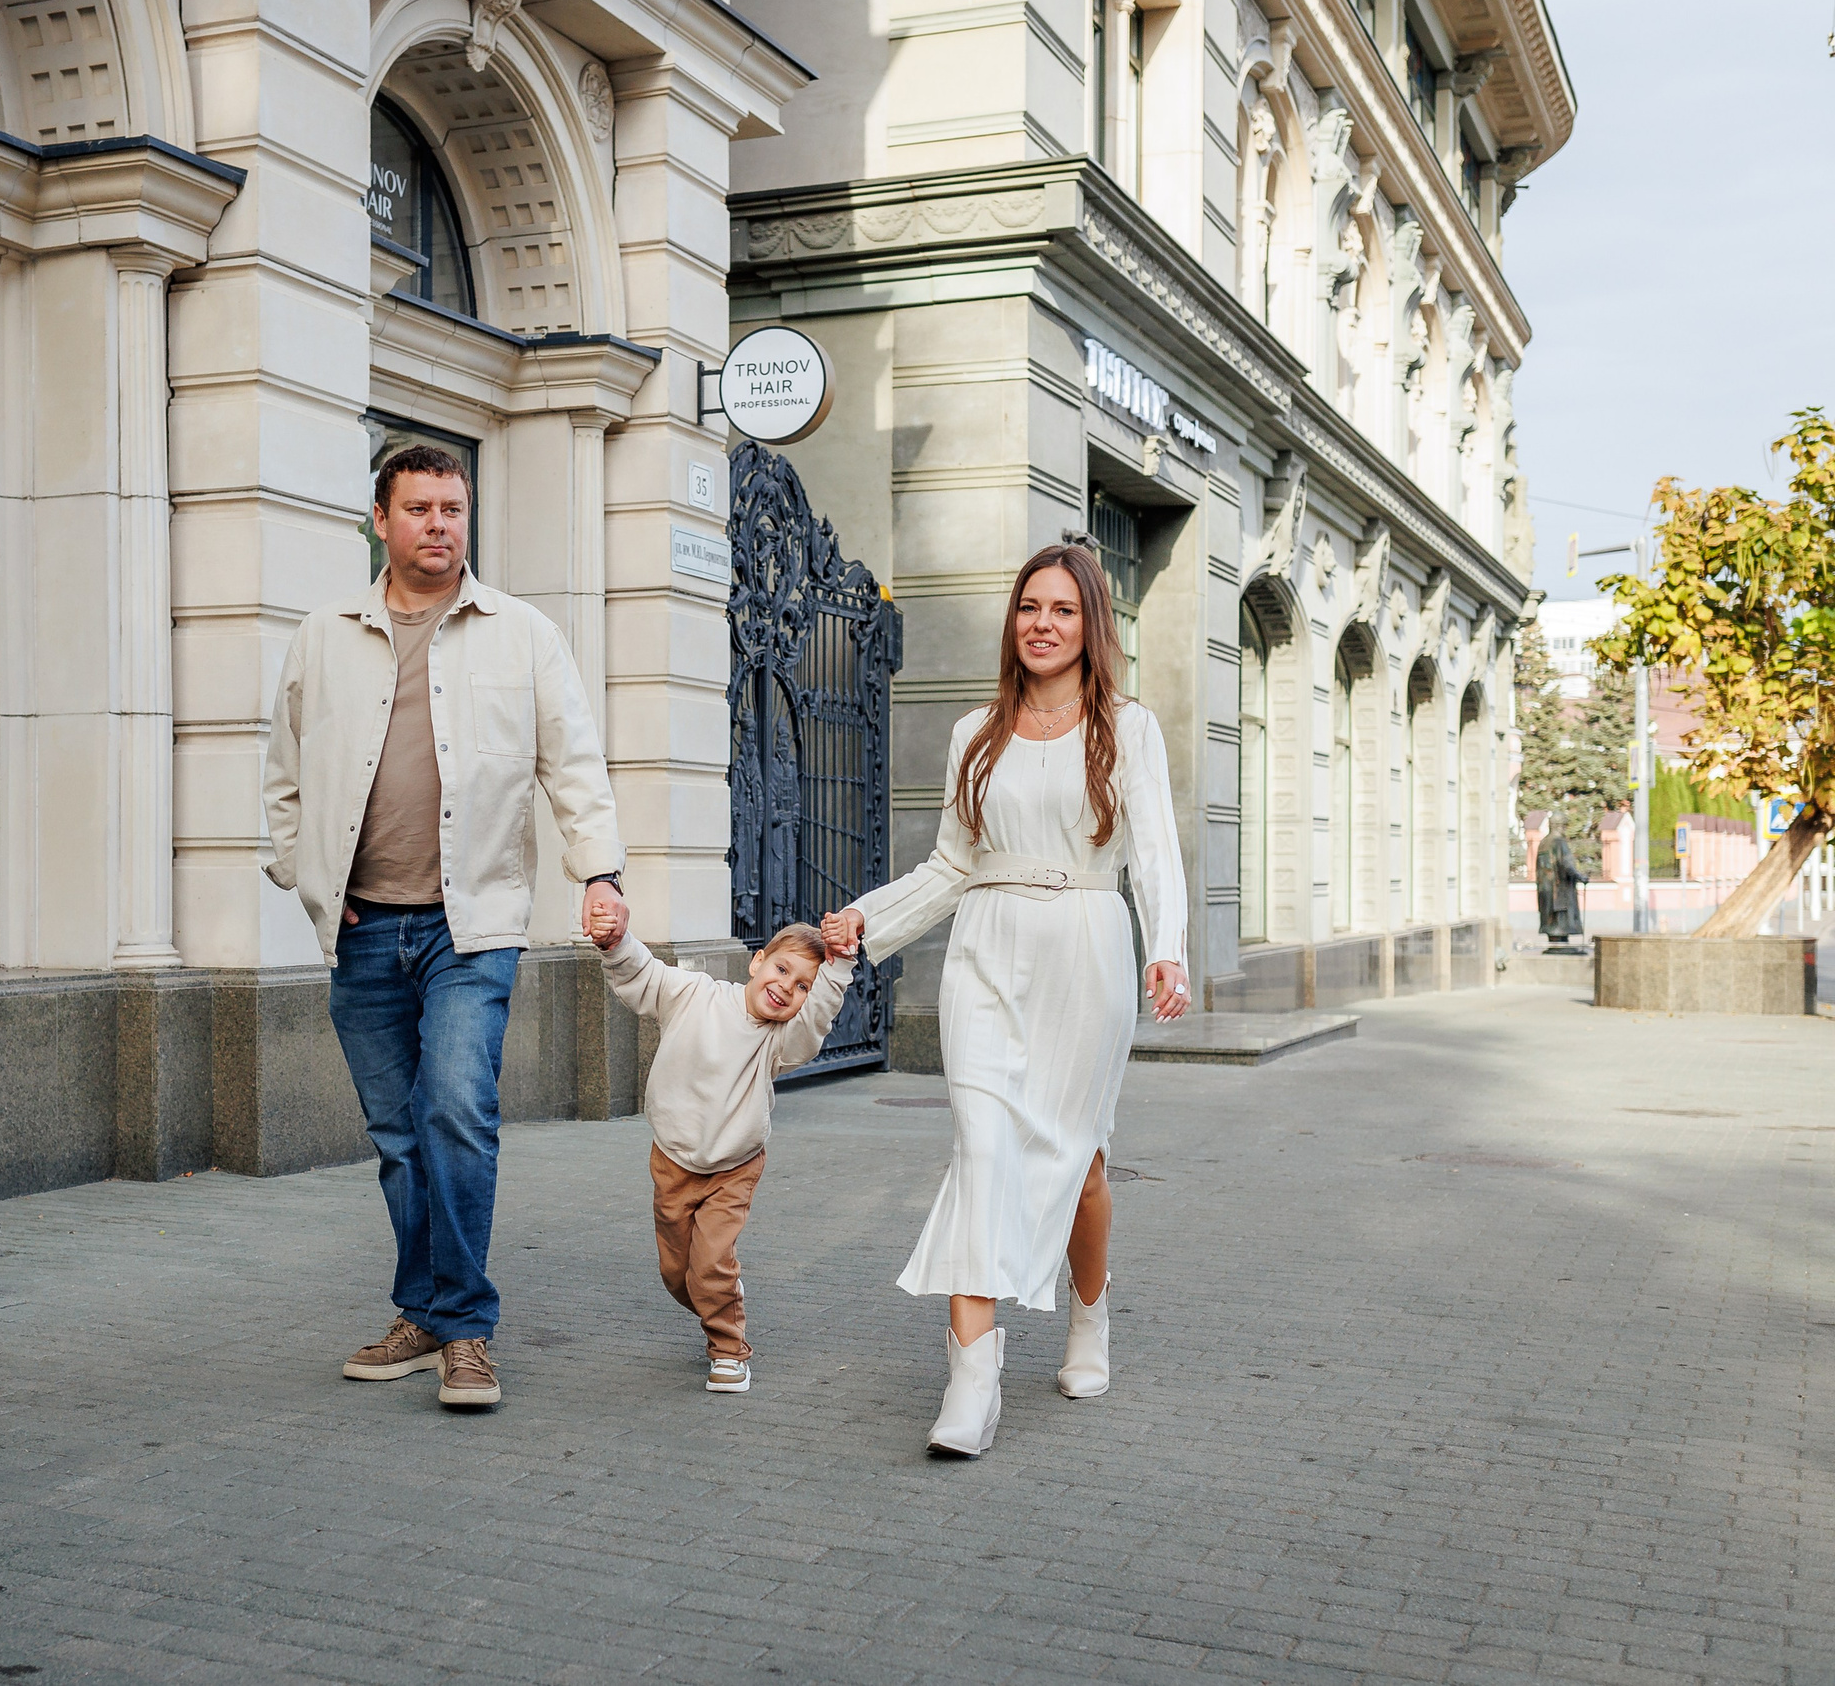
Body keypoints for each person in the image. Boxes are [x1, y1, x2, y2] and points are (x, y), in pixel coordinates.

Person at [264, 444, 627, 1412]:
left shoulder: (522, 635)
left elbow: (574, 764)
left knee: (456, 1111)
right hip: (364, 928)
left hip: (474, 925)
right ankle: (422, 1314)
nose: (440, 524)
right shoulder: (323, 636)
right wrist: (308, 881)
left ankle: (464, 1329)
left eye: (453, 508)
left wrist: (601, 872)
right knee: (397, 1133)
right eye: (420, 508)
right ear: (378, 520)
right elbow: (284, 781)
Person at [823, 536, 1188, 1457]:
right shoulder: (973, 734)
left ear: (1090, 624)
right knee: (983, 1149)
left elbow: (1155, 853)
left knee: (1081, 1162)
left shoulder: (1127, 728)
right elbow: (952, 863)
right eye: (1030, 607)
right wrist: (868, 920)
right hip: (985, 953)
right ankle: (972, 1380)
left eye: (1063, 609)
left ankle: (1090, 1319)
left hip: (1086, 950)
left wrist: (1169, 949)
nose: (1043, 624)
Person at [585, 901, 856, 1394]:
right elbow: (643, 975)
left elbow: (815, 1020)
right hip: (672, 1158)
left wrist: (838, 966)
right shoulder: (695, 994)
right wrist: (614, 941)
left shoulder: (781, 1041)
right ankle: (720, 1294)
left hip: (735, 1166)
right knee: (678, 1275)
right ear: (757, 962)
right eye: (781, 969)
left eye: (802, 986)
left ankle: (729, 1351)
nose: (785, 988)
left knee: (709, 1263)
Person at [1534, 809, 1588, 951]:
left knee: (1551, 919)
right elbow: (1566, 864)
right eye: (1564, 825)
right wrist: (1580, 876)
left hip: (1545, 889)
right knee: (1561, 919)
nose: (1565, 828)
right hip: (1559, 889)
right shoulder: (1558, 842)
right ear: (1559, 825)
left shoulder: (1544, 842)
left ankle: (1555, 944)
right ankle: (1561, 946)